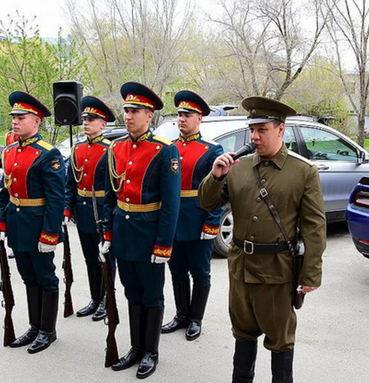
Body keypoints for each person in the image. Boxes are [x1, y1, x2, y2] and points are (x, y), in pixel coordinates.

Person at [198, 96, 326, 383]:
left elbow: (314, 226)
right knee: (242, 335)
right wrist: (216, 176)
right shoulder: (237, 168)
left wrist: (310, 274)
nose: (254, 136)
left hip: (277, 273)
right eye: (252, 129)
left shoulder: (303, 171)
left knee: (280, 340)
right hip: (241, 270)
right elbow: (207, 203)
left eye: (262, 129)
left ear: (280, 130)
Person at [100, 82, 181, 379]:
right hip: (123, 232)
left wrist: (163, 245)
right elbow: (111, 195)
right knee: (131, 292)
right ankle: (135, 348)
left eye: (135, 111)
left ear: (149, 116)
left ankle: (150, 351)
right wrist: (107, 234)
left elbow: (171, 205)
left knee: (152, 295)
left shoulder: (164, 151)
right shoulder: (116, 147)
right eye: (126, 110)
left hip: (149, 236)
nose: (128, 116)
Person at [0, 91, 65, 354]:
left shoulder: (49, 154)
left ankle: (48, 330)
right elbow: (6, 192)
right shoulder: (10, 151)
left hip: (38, 226)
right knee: (28, 278)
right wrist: (1, 224)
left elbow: (56, 200)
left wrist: (50, 234)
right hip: (16, 224)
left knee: (46, 278)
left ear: (36, 122)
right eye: (13, 116)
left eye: (20, 117)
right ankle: (34, 326)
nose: (14, 121)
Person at [161, 90, 223, 341]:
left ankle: (196, 318)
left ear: (200, 119)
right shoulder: (169, 148)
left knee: (200, 271)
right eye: (179, 114)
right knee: (176, 270)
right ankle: (181, 314)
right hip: (173, 221)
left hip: (198, 220)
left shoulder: (211, 150)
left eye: (188, 115)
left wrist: (212, 223)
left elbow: (218, 190)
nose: (182, 119)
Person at [64, 96, 116, 322]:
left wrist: (108, 217)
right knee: (89, 258)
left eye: (92, 119)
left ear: (103, 124)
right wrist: (67, 209)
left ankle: (107, 300)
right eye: (85, 119)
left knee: (105, 259)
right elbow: (70, 184)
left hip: (102, 211)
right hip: (83, 212)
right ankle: (95, 298)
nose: (86, 123)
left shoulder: (110, 149)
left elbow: (113, 188)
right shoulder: (78, 149)